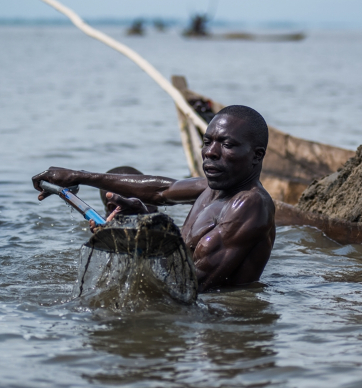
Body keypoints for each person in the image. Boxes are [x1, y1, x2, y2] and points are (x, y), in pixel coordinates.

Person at [32, 105, 276, 291]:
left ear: (257, 155)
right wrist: (77, 176)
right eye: (207, 141)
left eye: (227, 144)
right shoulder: (212, 188)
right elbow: (159, 191)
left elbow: (190, 287)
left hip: (218, 329)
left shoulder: (249, 205)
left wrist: (146, 225)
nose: (211, 152)